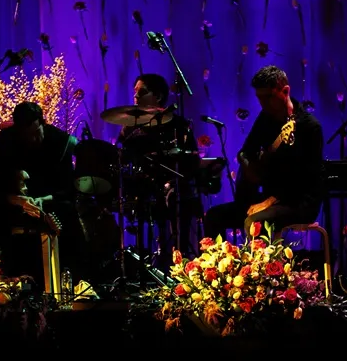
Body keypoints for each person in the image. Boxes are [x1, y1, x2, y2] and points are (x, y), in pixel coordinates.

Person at [204, 66, 324, 238]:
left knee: (255, 221)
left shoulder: (309, 127)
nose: (263, 104)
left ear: (285, 91)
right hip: (269, 198)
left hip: (298, 201)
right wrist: (250, 170)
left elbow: (306, 179)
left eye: (268, 97)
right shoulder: (266, 118)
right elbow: (245, 152)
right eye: (259, 98)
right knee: (214, 217)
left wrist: (269, 201)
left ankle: (263, 257)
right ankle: (218, 257)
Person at [0, 101, 81, 287]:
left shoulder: (60, 142)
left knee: (68, 210)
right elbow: (1, 185)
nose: (32, 139)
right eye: (27, 136)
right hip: (19, 201)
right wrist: (19, 200)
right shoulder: (7, 140)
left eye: (36, 133)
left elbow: (67, 189)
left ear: (42, 123)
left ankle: (69, 278)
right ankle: (5, 277)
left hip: (50, 199)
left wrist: (42, 200)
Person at [118, 73, 200, 267]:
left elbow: (191, 160)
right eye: (135, 92)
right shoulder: (131, 128)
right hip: (141, 187)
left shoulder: (178, 125)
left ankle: (180, 257)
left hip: (172, 186)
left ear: (158, 96)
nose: (136, 96)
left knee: (177, 194)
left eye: (142, 92)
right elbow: (121, 158)